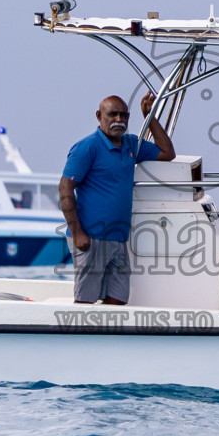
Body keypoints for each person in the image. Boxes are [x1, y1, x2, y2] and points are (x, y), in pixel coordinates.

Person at [58, 92, 176, 304]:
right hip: (90, 237)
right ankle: (80, 336)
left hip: (118, 239)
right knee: (85, 300)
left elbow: (167, 153)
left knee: (118, 299)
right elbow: (65, 190)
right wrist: (77, 233)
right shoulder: (87, 147)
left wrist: (149, 117)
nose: (119, 120)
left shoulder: (131, 145)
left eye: (124, 116)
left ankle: (103, 338)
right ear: (99, 116)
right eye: (113, 115)